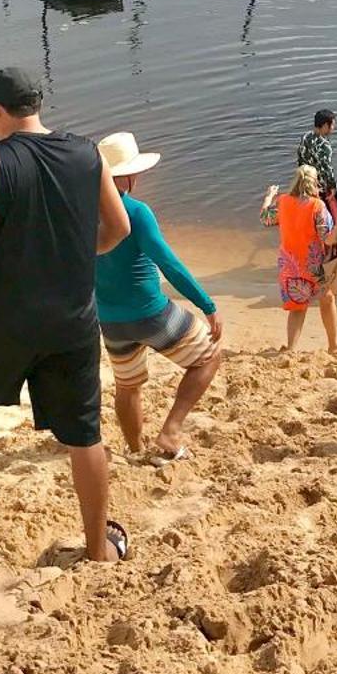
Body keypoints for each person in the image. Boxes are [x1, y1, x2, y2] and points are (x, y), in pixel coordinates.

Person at [0, 67, 132, 560]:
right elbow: (119, 227)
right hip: (72, 318)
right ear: (36, 106)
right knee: (84, 434)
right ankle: (96, 549)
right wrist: (75, 258)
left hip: (6, 318)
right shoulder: (88, 154)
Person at [94, 131, 223, 462]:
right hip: (151, 313)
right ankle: (170, 432)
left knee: (128, 385)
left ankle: (136, 451)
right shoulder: (136, 212)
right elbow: (169, 264)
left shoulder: (78, 213)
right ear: (130, 175)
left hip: (109, 319)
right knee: (208, 358)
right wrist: (207, 305)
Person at [261, 164, 337, 354]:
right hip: (314, 264)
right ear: (314, 183)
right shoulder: (317, 206)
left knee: (297, 308)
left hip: (290, 265)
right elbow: (328, 238)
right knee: (327, 300)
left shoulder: (283, 201)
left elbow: (265, 218)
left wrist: (269, 197)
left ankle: (291, 348)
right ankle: (334, 345)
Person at [295, 110, 337, 221]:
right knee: (333, 214)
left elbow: (300, 160)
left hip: (306, 183)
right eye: (332, 124)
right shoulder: (324, 145)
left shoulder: (305, 137)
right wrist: (332, 187)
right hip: (321, 187)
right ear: (325, 125)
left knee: (312, 215)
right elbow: (327, 169)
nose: (333, 128)